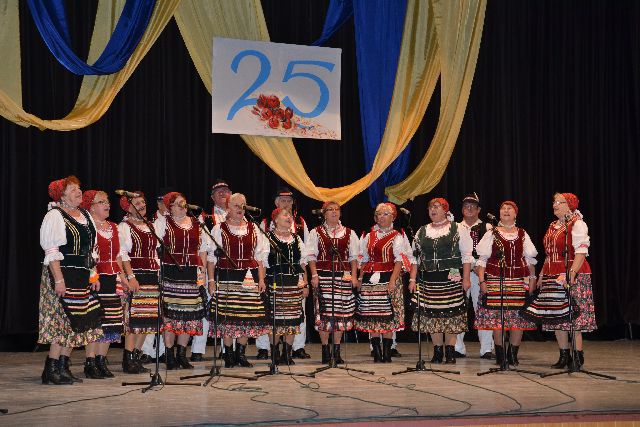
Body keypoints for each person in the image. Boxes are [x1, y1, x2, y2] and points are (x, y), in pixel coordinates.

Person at [39, 176, 103, 384]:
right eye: (73, 189)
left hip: (81, 276)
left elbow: (91, 250)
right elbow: (52, 250)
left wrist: (93, 274)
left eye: (78, 188)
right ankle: (51, 368)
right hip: (62, 274)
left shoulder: (86, 215)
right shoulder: (55, 215)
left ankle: (63, 366)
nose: (78, 192)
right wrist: (58, 280)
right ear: (62, 195)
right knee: (62, 322)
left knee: (77, 322)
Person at [521, 193, 596, 368]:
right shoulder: (552, 226)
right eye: (553, 201)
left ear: (569, 204)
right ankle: (563, 356)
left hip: (572, 273)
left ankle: (577, 356)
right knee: (557, 316)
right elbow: (549, 254)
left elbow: (581, 251)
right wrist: (541, 275)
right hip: (551, 275)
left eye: (558, 202)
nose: (554, 204)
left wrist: (572, 273)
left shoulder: (577, 223)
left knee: (574, 316)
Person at [206, 193, 270, 368]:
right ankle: (228, 354)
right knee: (228, 317)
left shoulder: (254, 228)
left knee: (246, 316)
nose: (240, 209)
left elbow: (260, 257)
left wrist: (261, 279)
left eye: (243, 205)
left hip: (249, 278)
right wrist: (211, 281)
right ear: (228, 208)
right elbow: (211, 259)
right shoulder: (219, 229)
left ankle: (240, 354)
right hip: (227, 277)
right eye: (236, 205)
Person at [408, 198, 473, 364]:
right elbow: (415, 259)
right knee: (432, 316)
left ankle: (450, 351)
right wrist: (413, 279)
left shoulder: (458, 228)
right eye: (430, 207)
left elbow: (466, 256)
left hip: (451, 277)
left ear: (445, 210)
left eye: (436, 206)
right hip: (428, 279)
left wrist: (466, 278)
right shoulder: (422, 231)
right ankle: (437, 351)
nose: (433, 209)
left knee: (451, 315)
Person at [474, 201, 538, 366]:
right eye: (503, 208)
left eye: (510, 208)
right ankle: (501, 355)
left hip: (518, 280)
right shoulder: (491, 233)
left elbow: (530, 259)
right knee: (498, 319)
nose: (506, 210)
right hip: (496, 280)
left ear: (515, 213)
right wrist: (482, 280)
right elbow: (482, 260)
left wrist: (532, 279)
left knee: (518, 319)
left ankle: (513, 355)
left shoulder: (522, 233)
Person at [154, 192, 208, 370]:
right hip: (171, 274)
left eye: (183, 203)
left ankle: (182, 355)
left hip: (191, 274)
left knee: (188, 316)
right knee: (171, 316)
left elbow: (203, 249)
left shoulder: (196, 223)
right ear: (169, 207)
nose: (182, 206)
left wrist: (202, 271)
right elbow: (155, 248)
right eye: (177, 204)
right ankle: (169, 355)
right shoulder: (163, 222)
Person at [256, 187, 310, 360]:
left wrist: (305, 283)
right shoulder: (268, 237)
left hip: (293, 284)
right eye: (284, 216)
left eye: (289, 216)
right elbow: (261, 261)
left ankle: (287, 353)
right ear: (276, 219)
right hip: (275, 283)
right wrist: (261, 280)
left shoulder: (297, 238)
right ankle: (274, 352)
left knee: (293, 319)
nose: (288, 217)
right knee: (275, 320)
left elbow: (303, 263)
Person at [80, 190, 127, 378]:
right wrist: (93, 277)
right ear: (91, 207)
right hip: (95, 280)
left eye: (107, 201)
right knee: (96, 322)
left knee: (111, 322)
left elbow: (118, 256)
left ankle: (101, 360)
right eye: (101, 202)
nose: (107, 204)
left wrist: (124, 277)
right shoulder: (87, 227)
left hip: (112, 279)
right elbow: (86, 255)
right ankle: (90, 362)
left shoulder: (114, 227)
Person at [355, 203, 410, 363]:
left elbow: (399, 260)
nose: (382, 217)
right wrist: (360, 278)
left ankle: (387, 352)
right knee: (373, 314)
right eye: (379, 214)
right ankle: (377, 353)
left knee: (388, 316)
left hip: (389, 277)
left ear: (393, 217)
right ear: (375, 218)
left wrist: (393, 280)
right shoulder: (369, 236)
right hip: (370, 279)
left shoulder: (397, 236)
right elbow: (364, 260)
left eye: (386, 214)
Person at [305, 201, 359, 364]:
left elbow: (354, 257)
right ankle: (325, 351)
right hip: (323, 277)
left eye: (337, 209)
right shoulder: (316, 232)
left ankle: (337, 350)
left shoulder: (350, 233)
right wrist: (314, 275)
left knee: (340, 315)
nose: (334, 212)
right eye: (330, 210)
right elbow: (311, 256)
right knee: (325, 315)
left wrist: (354, 276)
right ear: (324, 213)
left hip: (343, 278)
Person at [118, 192, 161, 374]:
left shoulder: (151, 225)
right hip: (137, 276)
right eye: (137, 203)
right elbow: (122, 254)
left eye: (143, 201)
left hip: (152, 276)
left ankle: (136, 356)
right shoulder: (124, 227)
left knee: (147, 319)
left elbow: (156, 252)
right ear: (128, 207)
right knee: (135, 319)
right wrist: (130, 277)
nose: (142, 205)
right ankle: (128, 359)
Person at [191, 180, 232, 362]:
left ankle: (227, 349)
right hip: (210, 267)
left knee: (228, 309)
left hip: (231, 270)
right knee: (206, 308)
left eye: (226, 191)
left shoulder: (241, 218)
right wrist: (204, 274)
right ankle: (198, 349)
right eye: (218, 191)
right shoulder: (205, 218)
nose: (223, 193)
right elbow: (202, 246)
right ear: (212, 197)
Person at [454, 193, 495, 359]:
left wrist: (482, 270)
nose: (469, 208)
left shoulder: (488, 227)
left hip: (480, 274)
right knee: (457, 309)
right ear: (462, 209)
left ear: (479, 209)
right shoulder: (454, 227)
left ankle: (486, 348)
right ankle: (457, 347)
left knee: (483, 309)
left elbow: (491, 252)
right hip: (458, 273)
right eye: (466, 206)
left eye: (473, 206)